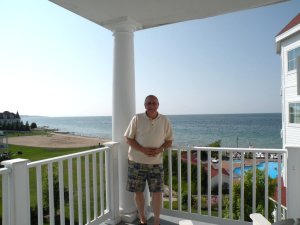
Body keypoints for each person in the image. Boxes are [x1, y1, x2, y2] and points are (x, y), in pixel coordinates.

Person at [124, 95, 173, 225]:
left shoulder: (164, 120)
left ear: (158, 105)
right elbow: (128, 138)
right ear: (145, 105)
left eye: (154, 103)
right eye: (149, 103)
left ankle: (157, 221)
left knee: (157, 192)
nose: (151, 105)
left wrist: (160, 149)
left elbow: (169, 141)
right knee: (138, 191)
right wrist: (143, 150)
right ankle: (142, 218)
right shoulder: (137, 118)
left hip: (156, 163)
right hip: (136, 162)